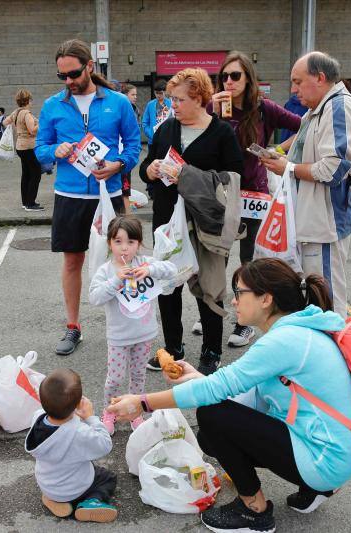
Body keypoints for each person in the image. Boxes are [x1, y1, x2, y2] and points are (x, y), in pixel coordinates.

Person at [107, 258, 351, 532]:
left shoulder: (284, 341)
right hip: (334, 449)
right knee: (210, 432)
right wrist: (195, 377)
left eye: (240, 292)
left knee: (210, 415)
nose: (233, 301)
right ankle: (314, 488)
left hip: (325, 458)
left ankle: (254, 511)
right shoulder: (297, 331)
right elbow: (240, 394)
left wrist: (142, 402)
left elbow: (219, 394)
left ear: (266, 299)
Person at [35, 39, 141, 356]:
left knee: (124, 260)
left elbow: (134, 146)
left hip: (109, 194)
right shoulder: (53, 105)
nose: (68, 82)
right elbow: (40, 150)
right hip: (69, 195)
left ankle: (129, 323)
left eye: (74, 74)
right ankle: (73, 327)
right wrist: (54, 151)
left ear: (90, 66)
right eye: (62, 77)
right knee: (73, 261)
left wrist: (118, 164)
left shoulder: (119, 102)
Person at [139, 67, 243, 375]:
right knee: (168, 287)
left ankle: (211, 350)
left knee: (209, 288)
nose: (174, 105)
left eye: (180, 99)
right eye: (171, 99)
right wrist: (152, 169)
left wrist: (190, 176)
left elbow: (236, 176)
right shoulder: (166, 129)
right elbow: (146, 165)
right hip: (168, 222)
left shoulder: (222, 132)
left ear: (200, 98)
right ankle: (173, 348)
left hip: (207, 224)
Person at [260, 52, 351, 319]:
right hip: (312, 223)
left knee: (327, 303)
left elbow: (335, 168)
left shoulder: (338, 107)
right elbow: (312, 158)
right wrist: (284, 159)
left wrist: (289, 167)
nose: (293, 89)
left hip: (324, 226)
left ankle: (334, 357)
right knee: (315, 299)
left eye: (298, 81)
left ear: (320, 78)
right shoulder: (318, 110)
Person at [209, 50, 302, 347]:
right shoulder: (216, 107)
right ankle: (212, 311)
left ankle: (244, 322)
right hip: (223, 191)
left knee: (249, 259)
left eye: (235, 75)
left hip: (254, 193)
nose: (229, 81)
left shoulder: (264, 108)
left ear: (248, 78)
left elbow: (304, 125)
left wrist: (279, 151)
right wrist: (210, 111)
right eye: (224, 76)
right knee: (217, 256)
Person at [89, 216, 177, 434]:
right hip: (119, 337)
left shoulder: (145, 263)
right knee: (115, 378)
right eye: (118, 241)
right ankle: (109, 412)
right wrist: (116, 281)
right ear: (109, 243)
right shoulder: (106, 271)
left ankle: (134, 412)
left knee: (138, 376)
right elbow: (94, 297)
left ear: (139, 243)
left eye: (130, 242)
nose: (124, 248)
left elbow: (172, 269)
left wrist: (150, 270)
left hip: (144, 333)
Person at [25, 368, 117, 523]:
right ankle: (91, 502)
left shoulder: (37, 419)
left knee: (72, 465)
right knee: (107, 477)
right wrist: (90, 417)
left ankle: (53, 500)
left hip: (48, 485)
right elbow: (105, 444)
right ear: (77, 403)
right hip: (76, 488)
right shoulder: (79, 433)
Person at [5, 90, 43, 211]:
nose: (32, 102)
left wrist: (18, 130)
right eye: (30, 100)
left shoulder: (16, 112)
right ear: (28, 100)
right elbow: (32, 130)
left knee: (26, 174)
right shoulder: (26, 113)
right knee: (36, 173)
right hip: (28, 146)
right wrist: (43, 123)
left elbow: (5, 122)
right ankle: (31, 203)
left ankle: (25, 202)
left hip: (20, 146)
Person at [141, 80, 173, 201]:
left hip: (167, 141)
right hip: (152, 141)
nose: (158, 95)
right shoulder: (151, 105)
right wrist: (151, 135)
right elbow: (145, 122)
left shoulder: (170, 104)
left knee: (166, 165)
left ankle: (166, 188)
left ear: (165, 92)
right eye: (156, 93)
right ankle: (151, 189)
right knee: (151, 165)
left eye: (160, 93)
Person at [120, 83, 140, 209]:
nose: (135, 97)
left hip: (127, 155)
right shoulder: (120, 109)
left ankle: (127, 224)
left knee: (125, 192)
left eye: (136, 94)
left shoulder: (135, 109)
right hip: (118, 152)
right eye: (133, 94)